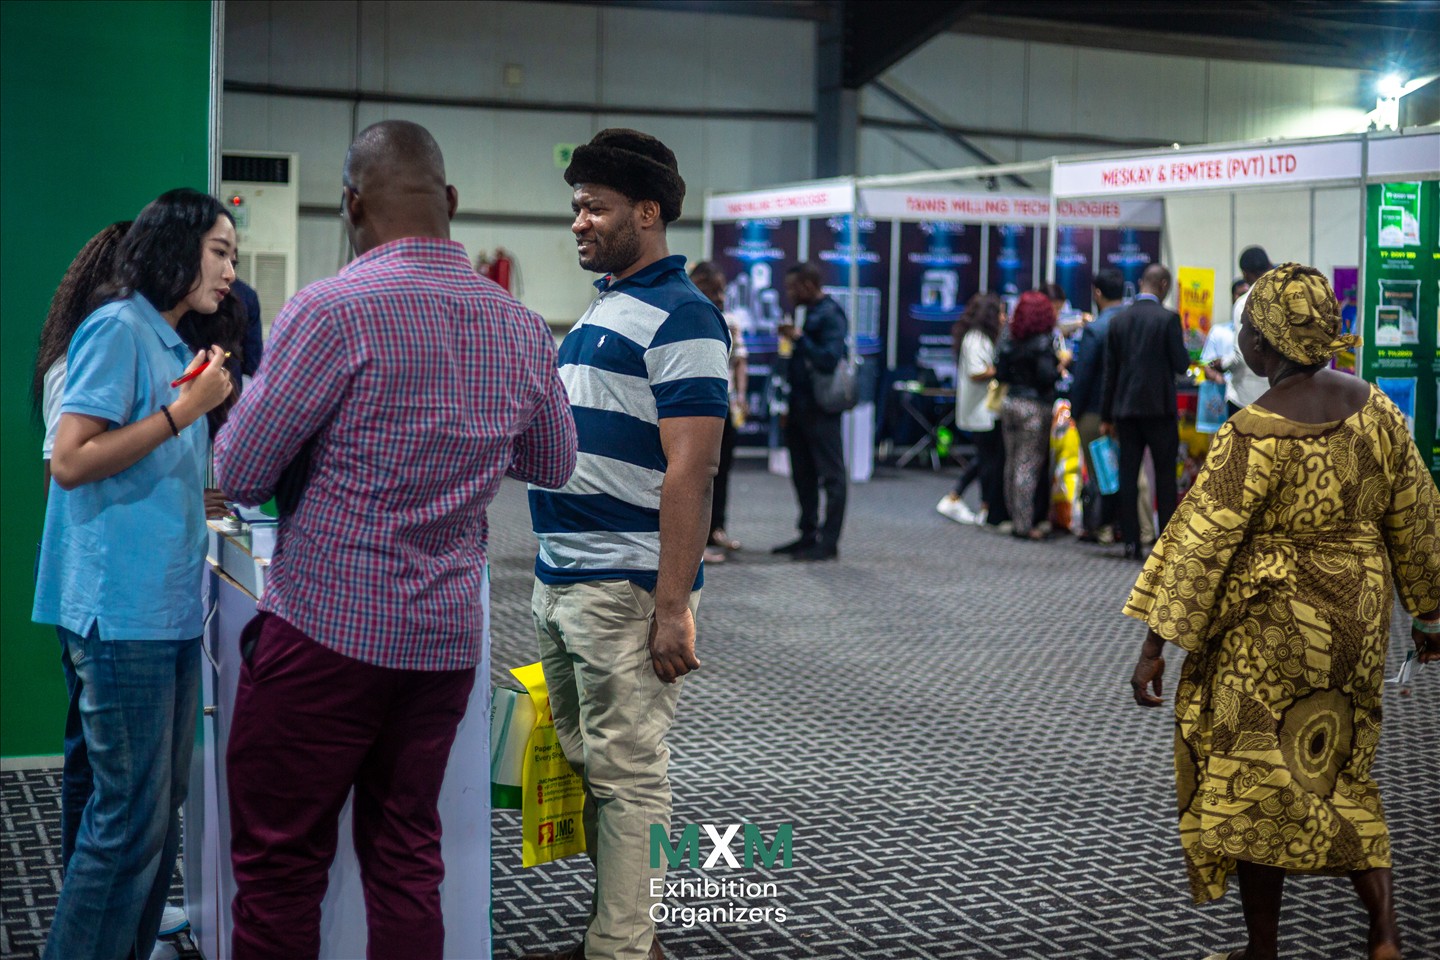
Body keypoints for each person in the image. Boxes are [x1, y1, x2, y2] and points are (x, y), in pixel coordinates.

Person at [214, 120, 576, 960]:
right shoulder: (521, 324)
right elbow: (554, 462)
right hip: (442, 643)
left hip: (325, 634)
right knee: (407, 858)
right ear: (450, 200)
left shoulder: (331, 310)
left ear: (351, 205)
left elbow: (241, 472)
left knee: (279, 866)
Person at [1126, 264, 1440, 960]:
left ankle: (1262, 949)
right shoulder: (1377, 409)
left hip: (1271, 627)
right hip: (1358, 613)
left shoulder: (1253, 430)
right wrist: (1428, 614)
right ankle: (1385, 932)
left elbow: (1201, 543)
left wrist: (1155, 646)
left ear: (1264, 344)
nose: (1241, 337)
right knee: (1342, 772)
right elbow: (1418, 514)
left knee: (1255, 782)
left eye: (1247, 327)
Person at [523, 128, 728, 960]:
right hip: (563, 578)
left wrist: (672, 607)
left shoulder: (685, 315)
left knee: (628, 775)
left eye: (595, 208)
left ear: (647, 213)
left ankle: (623, 950)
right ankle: (625, 934)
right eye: (576, 207)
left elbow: (693, 472)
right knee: (588, 766)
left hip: (624, 589)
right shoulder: (604, 305)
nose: (578, 221)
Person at [32, 188, 236, 960]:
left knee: (153, 815)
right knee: (127, 824)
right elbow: (71, 460)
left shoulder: (168, 339)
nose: (229, 271)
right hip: (120, 613)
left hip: (165, 610)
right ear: (178, 250)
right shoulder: (117, 327)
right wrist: (186, 412)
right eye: (219, 252)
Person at [29, 221, 131, 880]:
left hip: (88, 584)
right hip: (88, 587)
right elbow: (61, 477)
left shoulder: (93, 354)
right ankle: (86, 897)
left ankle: (90, 893)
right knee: (94, 761)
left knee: (91, 755)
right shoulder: (77, 365)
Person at [1101, 263, 1189, 560]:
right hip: (1160, 409)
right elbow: (1181, 364)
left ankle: (1131, 543)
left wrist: (1106, 416)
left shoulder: (1119, 321)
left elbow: (1110, 373)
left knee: (1128, 475)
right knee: (1164, 476)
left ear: (1141, 283)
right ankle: (1165, 544)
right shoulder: (1168, 319)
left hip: (1126, 409)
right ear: (1163, 285)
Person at [773, 261, 849, 561]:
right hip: (800, 407)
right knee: (803, 474)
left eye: (793, 288)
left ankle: (828, 542)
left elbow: (829, 359)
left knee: (832, 476)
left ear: (808, 285)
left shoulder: (831, 314)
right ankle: (808, 534)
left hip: (822, 409)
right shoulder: (808, 313)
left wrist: (798, 338)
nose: (789, 294)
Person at [689, 260, 748, 563]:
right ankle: (693, 543)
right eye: (714, 290)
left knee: (721, 471)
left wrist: (740, 397)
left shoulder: (729, 321)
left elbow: (739, 362)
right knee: (693, 473)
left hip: (722, 405)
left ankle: (716, 530)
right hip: (693, 408)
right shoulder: (686, 317)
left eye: (722, 291)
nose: (721, 297)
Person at [937, 292, 1008, 528]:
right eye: (1001, 312)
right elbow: (977, 372)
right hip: (982, 410)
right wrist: (1001, 369)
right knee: (988, 461)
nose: (1004, 317)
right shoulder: (976, 338)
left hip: (983, 409)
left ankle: (962, 498)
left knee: (985, 459)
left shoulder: (977, 337)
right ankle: (972, 503)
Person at [995, 290, 1060, 540]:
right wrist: (1061, 366)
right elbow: (1046, 376)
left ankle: (1014, 517)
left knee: (1011, 463)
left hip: (1010, 403)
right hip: (1034, 407)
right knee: (1028, 465)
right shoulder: (1043, 343)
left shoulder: (1009, 339)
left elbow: (1000, 374)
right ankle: (1024, 525)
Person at [1204, 246, 1272, 417]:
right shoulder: (1286, 300)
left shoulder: (1244, 304)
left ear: (1245, 273)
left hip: (1245, 397)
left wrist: (1223, 364)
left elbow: (1241, 356)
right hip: (1278, 398)